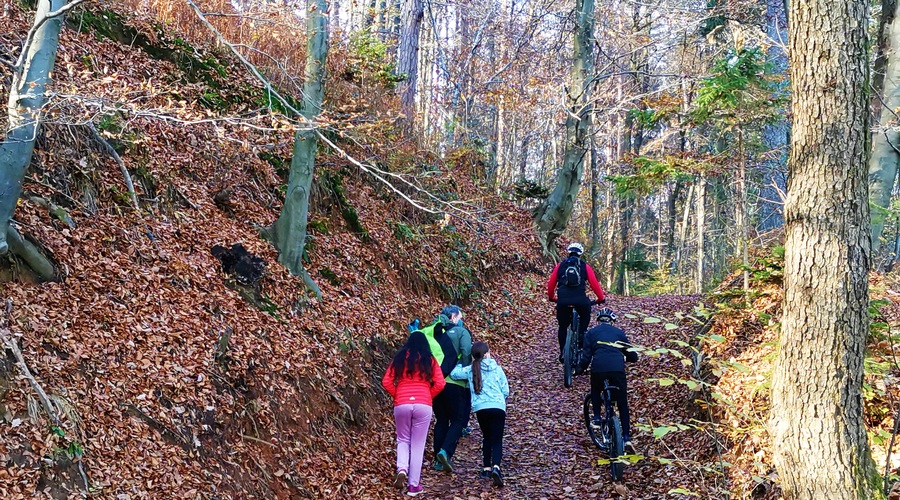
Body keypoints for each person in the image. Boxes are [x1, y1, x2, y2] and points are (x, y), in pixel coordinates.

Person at [382, 331, 446, 497]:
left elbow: (386, 381)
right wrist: (427, 396)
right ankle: (413, 486)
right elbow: (440, 383)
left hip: (402, 403)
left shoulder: (400, 357)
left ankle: (402, 468)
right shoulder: (429, 359)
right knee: (418, 445)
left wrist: (398, 395)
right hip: (423, 403)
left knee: (403, 439)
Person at [577, 308, 639, 454]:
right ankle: (626, 438)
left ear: (598, 321)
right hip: (617, 369)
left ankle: (597, 417)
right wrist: (630, 358)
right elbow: (633, 355)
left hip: (599, 368)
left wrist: (579, 370)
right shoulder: (619, 333)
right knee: (623, 403)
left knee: (595, 388)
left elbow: (586, 357)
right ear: (612, 321)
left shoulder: (591, 333)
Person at [450, 342, 509, 488]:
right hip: (498, 406)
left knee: (487, 437)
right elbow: (505, 389)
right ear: (487, 354)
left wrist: (458, 362)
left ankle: (486, 468)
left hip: (481, 408)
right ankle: (496, 467)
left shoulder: (471, 370)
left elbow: (454, 374)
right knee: (497, 439)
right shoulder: (497, 369)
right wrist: (500, 399)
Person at [547, 242, 606, 362]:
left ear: (568, 252)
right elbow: (594, 284)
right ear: (580, 254)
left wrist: (552, 297)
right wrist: (600, 298)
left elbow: (551, 284)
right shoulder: (585, 266)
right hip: (580, 300)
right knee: (585, 314)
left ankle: (563, 352)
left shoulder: (560, 266)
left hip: (562, 300)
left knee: (563, 326)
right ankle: (581, 336)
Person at [431, 305, 473, 473]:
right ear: (454, 317)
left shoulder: (433, 331)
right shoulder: (461, 332)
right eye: (460, 316)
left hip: (435, 382)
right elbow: (467, 353)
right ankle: (445, 452)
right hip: (455, 384)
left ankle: (438, 461)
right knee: (458, 420)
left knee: (441, 420)